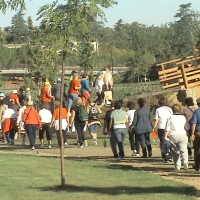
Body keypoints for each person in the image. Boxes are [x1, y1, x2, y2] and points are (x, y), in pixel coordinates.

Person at [164, 104, 188, 171]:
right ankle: (185, 161)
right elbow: (187, 127)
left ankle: (177, 166)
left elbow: (167, 129)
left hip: (173, 135)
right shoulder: (183, 117)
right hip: (182, 134)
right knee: (184, 150)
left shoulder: (170, 117)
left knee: (175, 151)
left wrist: (165, 136)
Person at [152, 97, 173, 162]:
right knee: (169, 142)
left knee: (162, 142)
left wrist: (154, 127)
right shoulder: (169, 109)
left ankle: (164, 157)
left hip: (161, 127)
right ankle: (170, 156)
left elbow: (156, 120)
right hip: (169, 127)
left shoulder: (158, 110)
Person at [190, 98, 200, 171]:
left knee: (197, 149)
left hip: (198, 132)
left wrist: (192, 133)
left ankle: (197, 165)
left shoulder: (196, 112)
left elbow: (194, 123)